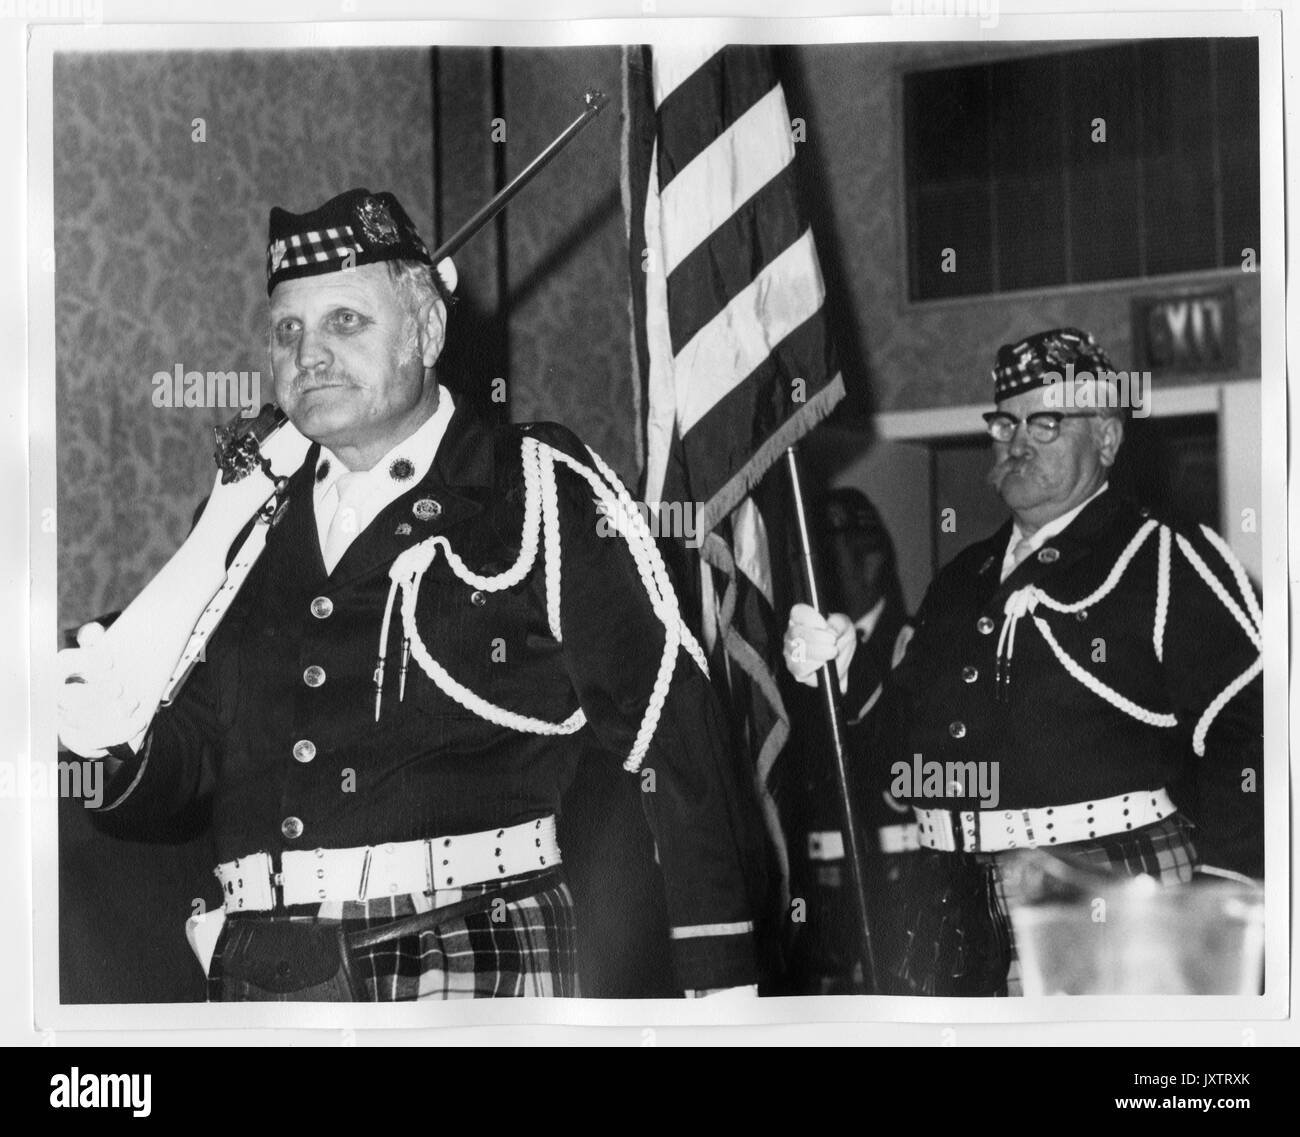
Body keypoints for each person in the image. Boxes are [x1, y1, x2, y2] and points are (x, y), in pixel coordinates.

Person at [60, 188, 764, 1001]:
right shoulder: (243, 522)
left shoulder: (531, 489)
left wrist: (720, 985)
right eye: (288, 330)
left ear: (428, 330)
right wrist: (105, 738)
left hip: (466, 953)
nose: (309, 354)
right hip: (258, 973)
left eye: (344, 322)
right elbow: (190, 764)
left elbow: (670, 735)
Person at [784, 328, 1263, 995]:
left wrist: (1217, 899)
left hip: (1106, 885)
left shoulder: (1164, 558)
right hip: (950, 900)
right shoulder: (960, 580)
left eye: (1046, 423)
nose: (1017, 442)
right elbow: (911, 769)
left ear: (1105, 437)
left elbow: (1257, 734)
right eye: (1006, 422)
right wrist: (845, 672)